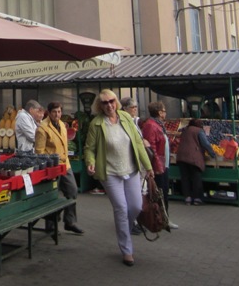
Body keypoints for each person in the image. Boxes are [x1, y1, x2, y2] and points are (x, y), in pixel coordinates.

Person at [85, 89, 153, 267]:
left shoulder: (125, 118)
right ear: (99, 106)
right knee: (121, 208)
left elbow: (138, 142)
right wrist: (90, 161)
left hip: (131, 169)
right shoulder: (97, 124)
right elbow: (89, 148)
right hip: (110, 173)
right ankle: (126, 250)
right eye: (105, 103)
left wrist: (148, 166)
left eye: (111, 101)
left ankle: (125, 230)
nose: (109, 105)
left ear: (116, 102)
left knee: (135, 206)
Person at [34, 101, 83, 234]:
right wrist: (51, 159)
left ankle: (70, 221)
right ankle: (51, 225)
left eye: (59, 112)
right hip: (52, 168)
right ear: (48, 113)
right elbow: (39, 152)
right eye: (54, 112)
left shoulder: (62, 125)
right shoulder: (42, 128)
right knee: (52, 195)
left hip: (65, 165)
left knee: (72, 191)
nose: (57, 114)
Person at [141, 101, 178, 229]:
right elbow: (152, 148)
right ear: (159, 112)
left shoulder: (159, 125)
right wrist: (157, 166)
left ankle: (164, 218)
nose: (165, 113)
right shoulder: (151, 126)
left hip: (163, 164)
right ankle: (160, 219)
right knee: (159, 194)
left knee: (163, 193)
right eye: (163, 110)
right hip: (159, 166)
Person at [176, 118, 217, 205]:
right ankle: (197, 198)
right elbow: (205, 143)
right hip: (193, 157)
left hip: (181, 156)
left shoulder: (185, 130)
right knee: (196, 177)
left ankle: (187, 198)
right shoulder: (199, 131)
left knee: (185, 178)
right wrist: (213, 154)